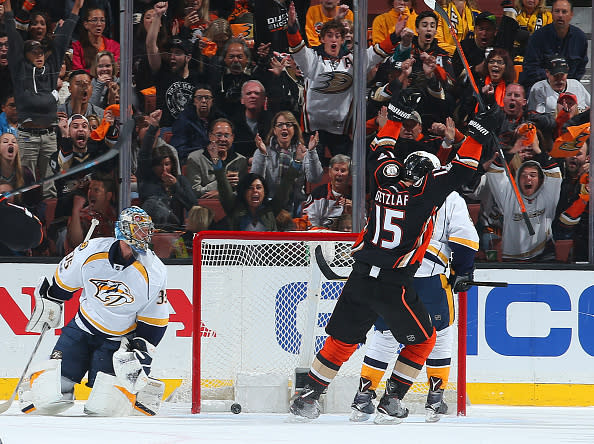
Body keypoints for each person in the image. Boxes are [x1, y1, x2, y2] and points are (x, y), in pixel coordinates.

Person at [288, 95, 499, 421]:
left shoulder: (383, 179)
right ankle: (392, 398)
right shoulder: (428, 195)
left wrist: (397, 117)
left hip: (360, 275)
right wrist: (478, 134)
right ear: (430, 177)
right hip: (394, 282)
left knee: (342, 340)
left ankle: (309, 396)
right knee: (425, 340)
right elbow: (463, 169)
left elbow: (381, 145)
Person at [22, 206, 169, 416]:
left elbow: (155, 320)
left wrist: (141, 351)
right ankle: (35, 385)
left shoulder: (155, 271)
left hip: (117, 341)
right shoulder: (90, 251)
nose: (143, 234)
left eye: (145, 230)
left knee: (104, 409)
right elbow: (63, 283)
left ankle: (133, 393)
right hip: (80, 330)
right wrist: (52, 300)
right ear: (123, 231)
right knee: (51, 395)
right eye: (137, 229)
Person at [350, 189, 478, 423]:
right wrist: (464, 270)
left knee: (385, 334)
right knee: (439, 334)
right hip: (430, 276)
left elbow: (371, 234)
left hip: (390, 276)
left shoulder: (391, 193)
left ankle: (363, 397)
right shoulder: (448, 195)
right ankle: (435, 399)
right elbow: (465, 238)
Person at [287, 2, 400, 162]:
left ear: (342, 40)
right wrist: (292, 28)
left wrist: (395, 35)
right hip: (312, 129)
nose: (334, 39)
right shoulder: (312, 58)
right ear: (322, 39)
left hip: (340, 130)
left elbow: (378, 52)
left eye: (338, 36)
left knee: (346, 172)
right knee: (311, 173)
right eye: (330, 35)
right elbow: (297, 47)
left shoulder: (353, 60)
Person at [4, 0, 83, 196]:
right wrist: (6, 7)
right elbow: (13, 36)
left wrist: (76, 9)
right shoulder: (19, 66)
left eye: (41, 52)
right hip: (27, 137)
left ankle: (50, 226)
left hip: (49, 136)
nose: (39, 56)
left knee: (50, 189)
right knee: (23, 187)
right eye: (34, 52)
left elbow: (64, 38)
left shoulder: (51, 65)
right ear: (24, 54)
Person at [252, 111, 322, 217]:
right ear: (274, 130)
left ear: (294, 129)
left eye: (288, 125)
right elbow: (255, 180)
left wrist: (312, 152)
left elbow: (315, 178)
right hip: (270, 203)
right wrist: (262, 155)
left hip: (296, 203)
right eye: (280, 125)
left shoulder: (302, 151)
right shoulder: (263, 151)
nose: (284, 128)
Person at [147, 2, 203, 131]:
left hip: (192, 131)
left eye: (177, 53)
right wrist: (157, 15)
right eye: (171, 53)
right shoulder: (163, 73)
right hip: (166, 130)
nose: (172, 56)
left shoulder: (197, 78)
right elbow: (150, 45)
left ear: (188, 57)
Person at [136, 110, 197, 226]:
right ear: (153, 166)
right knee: (152, 203)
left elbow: (193, 206)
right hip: (151, 230)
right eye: (159, 165)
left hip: (176, 231)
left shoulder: (180, 181)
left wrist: (175, 186)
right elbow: (144, 154)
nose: (164, 169)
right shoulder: (147, 178)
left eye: (167, 164)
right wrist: (153, 127)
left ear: (173, 164)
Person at [519, 0, 588, 90]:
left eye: (564, 12)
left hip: (569, 87)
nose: (560, 15)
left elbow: (580, 68)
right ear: (551, 13)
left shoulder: (580, 38)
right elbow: (530, 67)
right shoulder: (537, 37)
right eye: (557, 11)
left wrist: (566, 84)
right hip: (541, 86)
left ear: (571, 14)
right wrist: (553, 79)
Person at [214, 166, 302, 231]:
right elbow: (223, 186)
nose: (255, 191)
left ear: (264, 192)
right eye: (250, 188)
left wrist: (297, 162)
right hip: (240, 255)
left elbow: (286, 185)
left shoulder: (271, 209)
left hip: (268, 255)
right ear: (243, 192)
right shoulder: (234, 208)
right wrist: (216, 164)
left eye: (259, 187)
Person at [184, 118, 248, 198]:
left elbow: (245, 193)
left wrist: (223, 193)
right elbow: (194, 193)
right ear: (210, 136)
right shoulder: (195, 158)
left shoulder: (241, 160)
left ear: (232, 138)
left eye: (227, 135)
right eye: (218, 135)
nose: (223, 139)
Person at [170, 84, 223, 164]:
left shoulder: (220, 118)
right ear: (194, 101)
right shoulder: (184, 120)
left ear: (212, 101)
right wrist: (206, 152)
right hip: (193, 161)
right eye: (199, 98)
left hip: (218, 159)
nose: (204, 101)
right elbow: (179, 149)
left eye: (207, 98)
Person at [66, 172, 117, 251]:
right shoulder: (82, 216)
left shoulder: (117, 214)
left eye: (96, 190)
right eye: (90, 189)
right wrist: (75, 211)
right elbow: (75, 243)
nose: (91, 193)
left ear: (108, 195)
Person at [302, 154, 351, 228]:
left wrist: (354, 210)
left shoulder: (356, 195)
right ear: (330, 172)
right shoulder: (318, 194)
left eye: (343, 170)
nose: (339, 174)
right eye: (336, 170)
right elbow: (308, 222)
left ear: (349, 174)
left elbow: (365, 223)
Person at [71, 5, 120, 73]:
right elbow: (78, 71)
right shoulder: (77, 47)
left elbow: (116, 69)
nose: (99, 24)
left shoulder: (114, 46)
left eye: (102, 20)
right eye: (94, 20)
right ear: (86, 24)